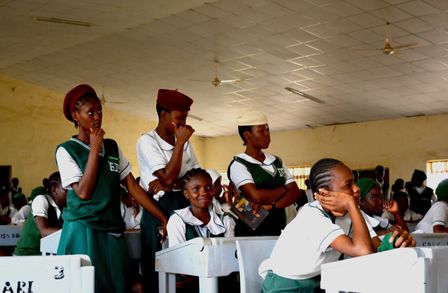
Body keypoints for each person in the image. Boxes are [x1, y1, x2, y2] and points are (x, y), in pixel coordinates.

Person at [56, 84, 168, 293]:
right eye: (91, 112)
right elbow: (83, 192)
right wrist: (94, 149)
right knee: (87, 286)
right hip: (84, 227)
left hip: (111, 227)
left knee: (118, 285)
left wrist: (162, 217)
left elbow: (133, 187)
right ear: (75, 116)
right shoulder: (66, 150)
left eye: (100, 111)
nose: (97, 117)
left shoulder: (113, 147)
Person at [260, 158, 415, 293]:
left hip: (318, 282)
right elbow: (363, 250)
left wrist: (396, 242)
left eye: (354, 182)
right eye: (348, 185)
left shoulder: (352, 213)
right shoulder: (311, 216)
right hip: (285, 286)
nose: (356, 188)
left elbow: (375, 249)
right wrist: (351, 204)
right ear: (325, 193)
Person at [136, 88, 200, 292]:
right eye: (179, 118)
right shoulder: (147, 141)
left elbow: (196, 177)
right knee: (159, 271)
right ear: (163, 115)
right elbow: (169, 176)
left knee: (186, 269)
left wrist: (173, 183)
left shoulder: (185, 144)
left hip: (184, 207)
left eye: (186, 118)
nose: (184, 123)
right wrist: (180, 143)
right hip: (159, 210)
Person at [227, 111, 301, 236]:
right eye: (261, 131)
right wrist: (284, 189)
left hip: (278, 226)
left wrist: (272, 206)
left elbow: (295, 192)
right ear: (247, 135)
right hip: (250, 229)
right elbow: (257, 196)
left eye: (268, 130)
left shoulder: (277, 161)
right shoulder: (238, 164)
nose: (267, 134)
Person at [167, 168, 236, 292]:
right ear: (186, 194)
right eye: (196, 189)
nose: (204, 192)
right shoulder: (178, 219)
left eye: (208, 187)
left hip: (223, 284)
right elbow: (179, 262)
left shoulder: (225, 220)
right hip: (190, 286)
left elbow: (231, 258)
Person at [14, 171, 67, 256]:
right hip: (25, 257)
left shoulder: (66, 208)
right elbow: (44, 232)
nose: (73, 193)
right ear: (54, 189)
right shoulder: (41, 200)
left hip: (45, 257)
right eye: (67, 189)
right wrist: (74, 232)